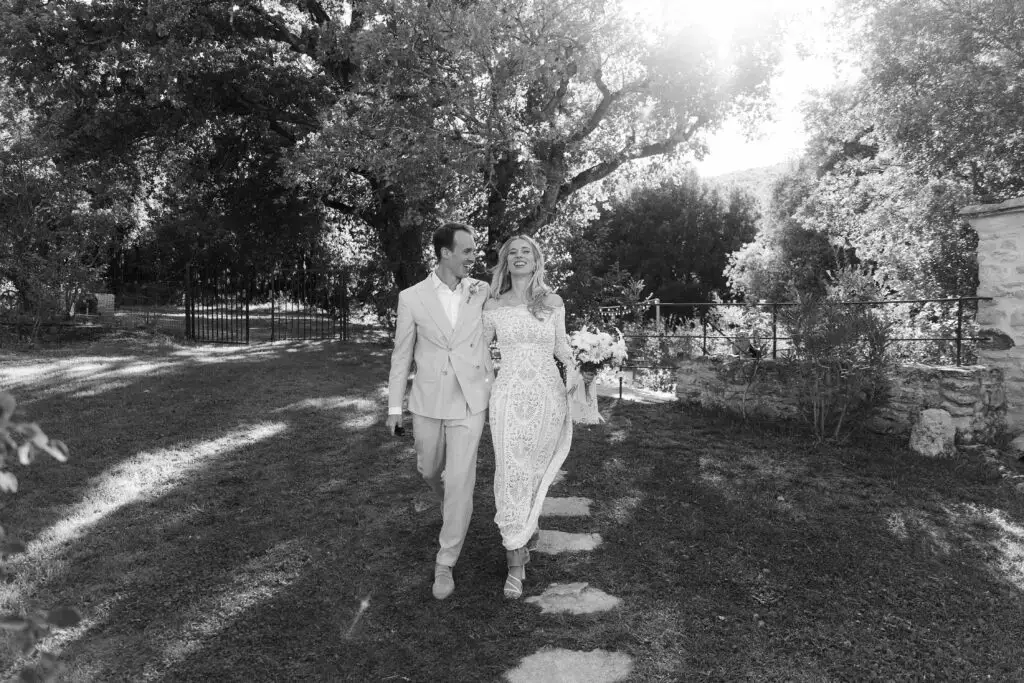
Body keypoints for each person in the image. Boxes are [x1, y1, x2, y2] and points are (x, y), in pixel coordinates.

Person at [386, 222, 494, 600]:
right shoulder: (411, 297)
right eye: (467, 251)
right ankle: (454, 505)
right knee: (429, 470)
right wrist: (395, 407)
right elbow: (402, 355)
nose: (473, 257)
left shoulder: (481, 291)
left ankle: (445, 560)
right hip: (428, 400)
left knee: (461, 479)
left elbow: (514, 306)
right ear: (446, 253)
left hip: (470, 399)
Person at [482, 234, 587, 599]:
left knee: (536, 468)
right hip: (508, 396)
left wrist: (582, 369)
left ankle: (528, 524)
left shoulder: (552, 301)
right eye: (513, 252)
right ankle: (515, 558)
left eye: (526, 251)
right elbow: (481, 352)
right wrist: (489, 387)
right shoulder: (493, 304)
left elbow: (561, 346)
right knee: (510, 470)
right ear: (505, 262)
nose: (519, 256)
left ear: (537, 260)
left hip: (547, 396)